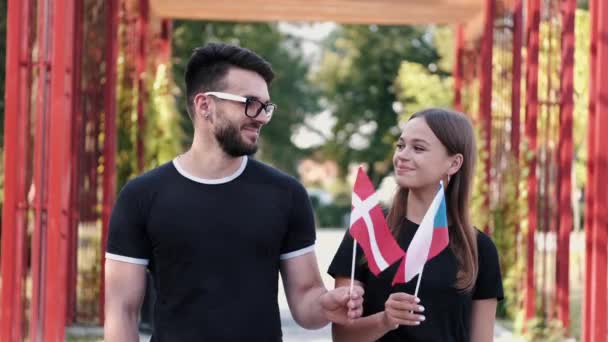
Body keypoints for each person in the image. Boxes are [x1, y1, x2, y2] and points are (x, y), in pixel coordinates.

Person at [104, 42, 364, 342]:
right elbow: (121, 311)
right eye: (250, 103)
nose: (262, 116)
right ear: (205, 106)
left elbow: (306, 300)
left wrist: (326, 304)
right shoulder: (141, 196)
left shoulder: (286, 194)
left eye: (266, 106)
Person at [328, 108, 504, 342]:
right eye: (401, 146)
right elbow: (342, 337)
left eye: (418, 148)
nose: (402, 155)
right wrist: (384, 320)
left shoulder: (479, 248)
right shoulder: (368, 228)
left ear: (454, 163)